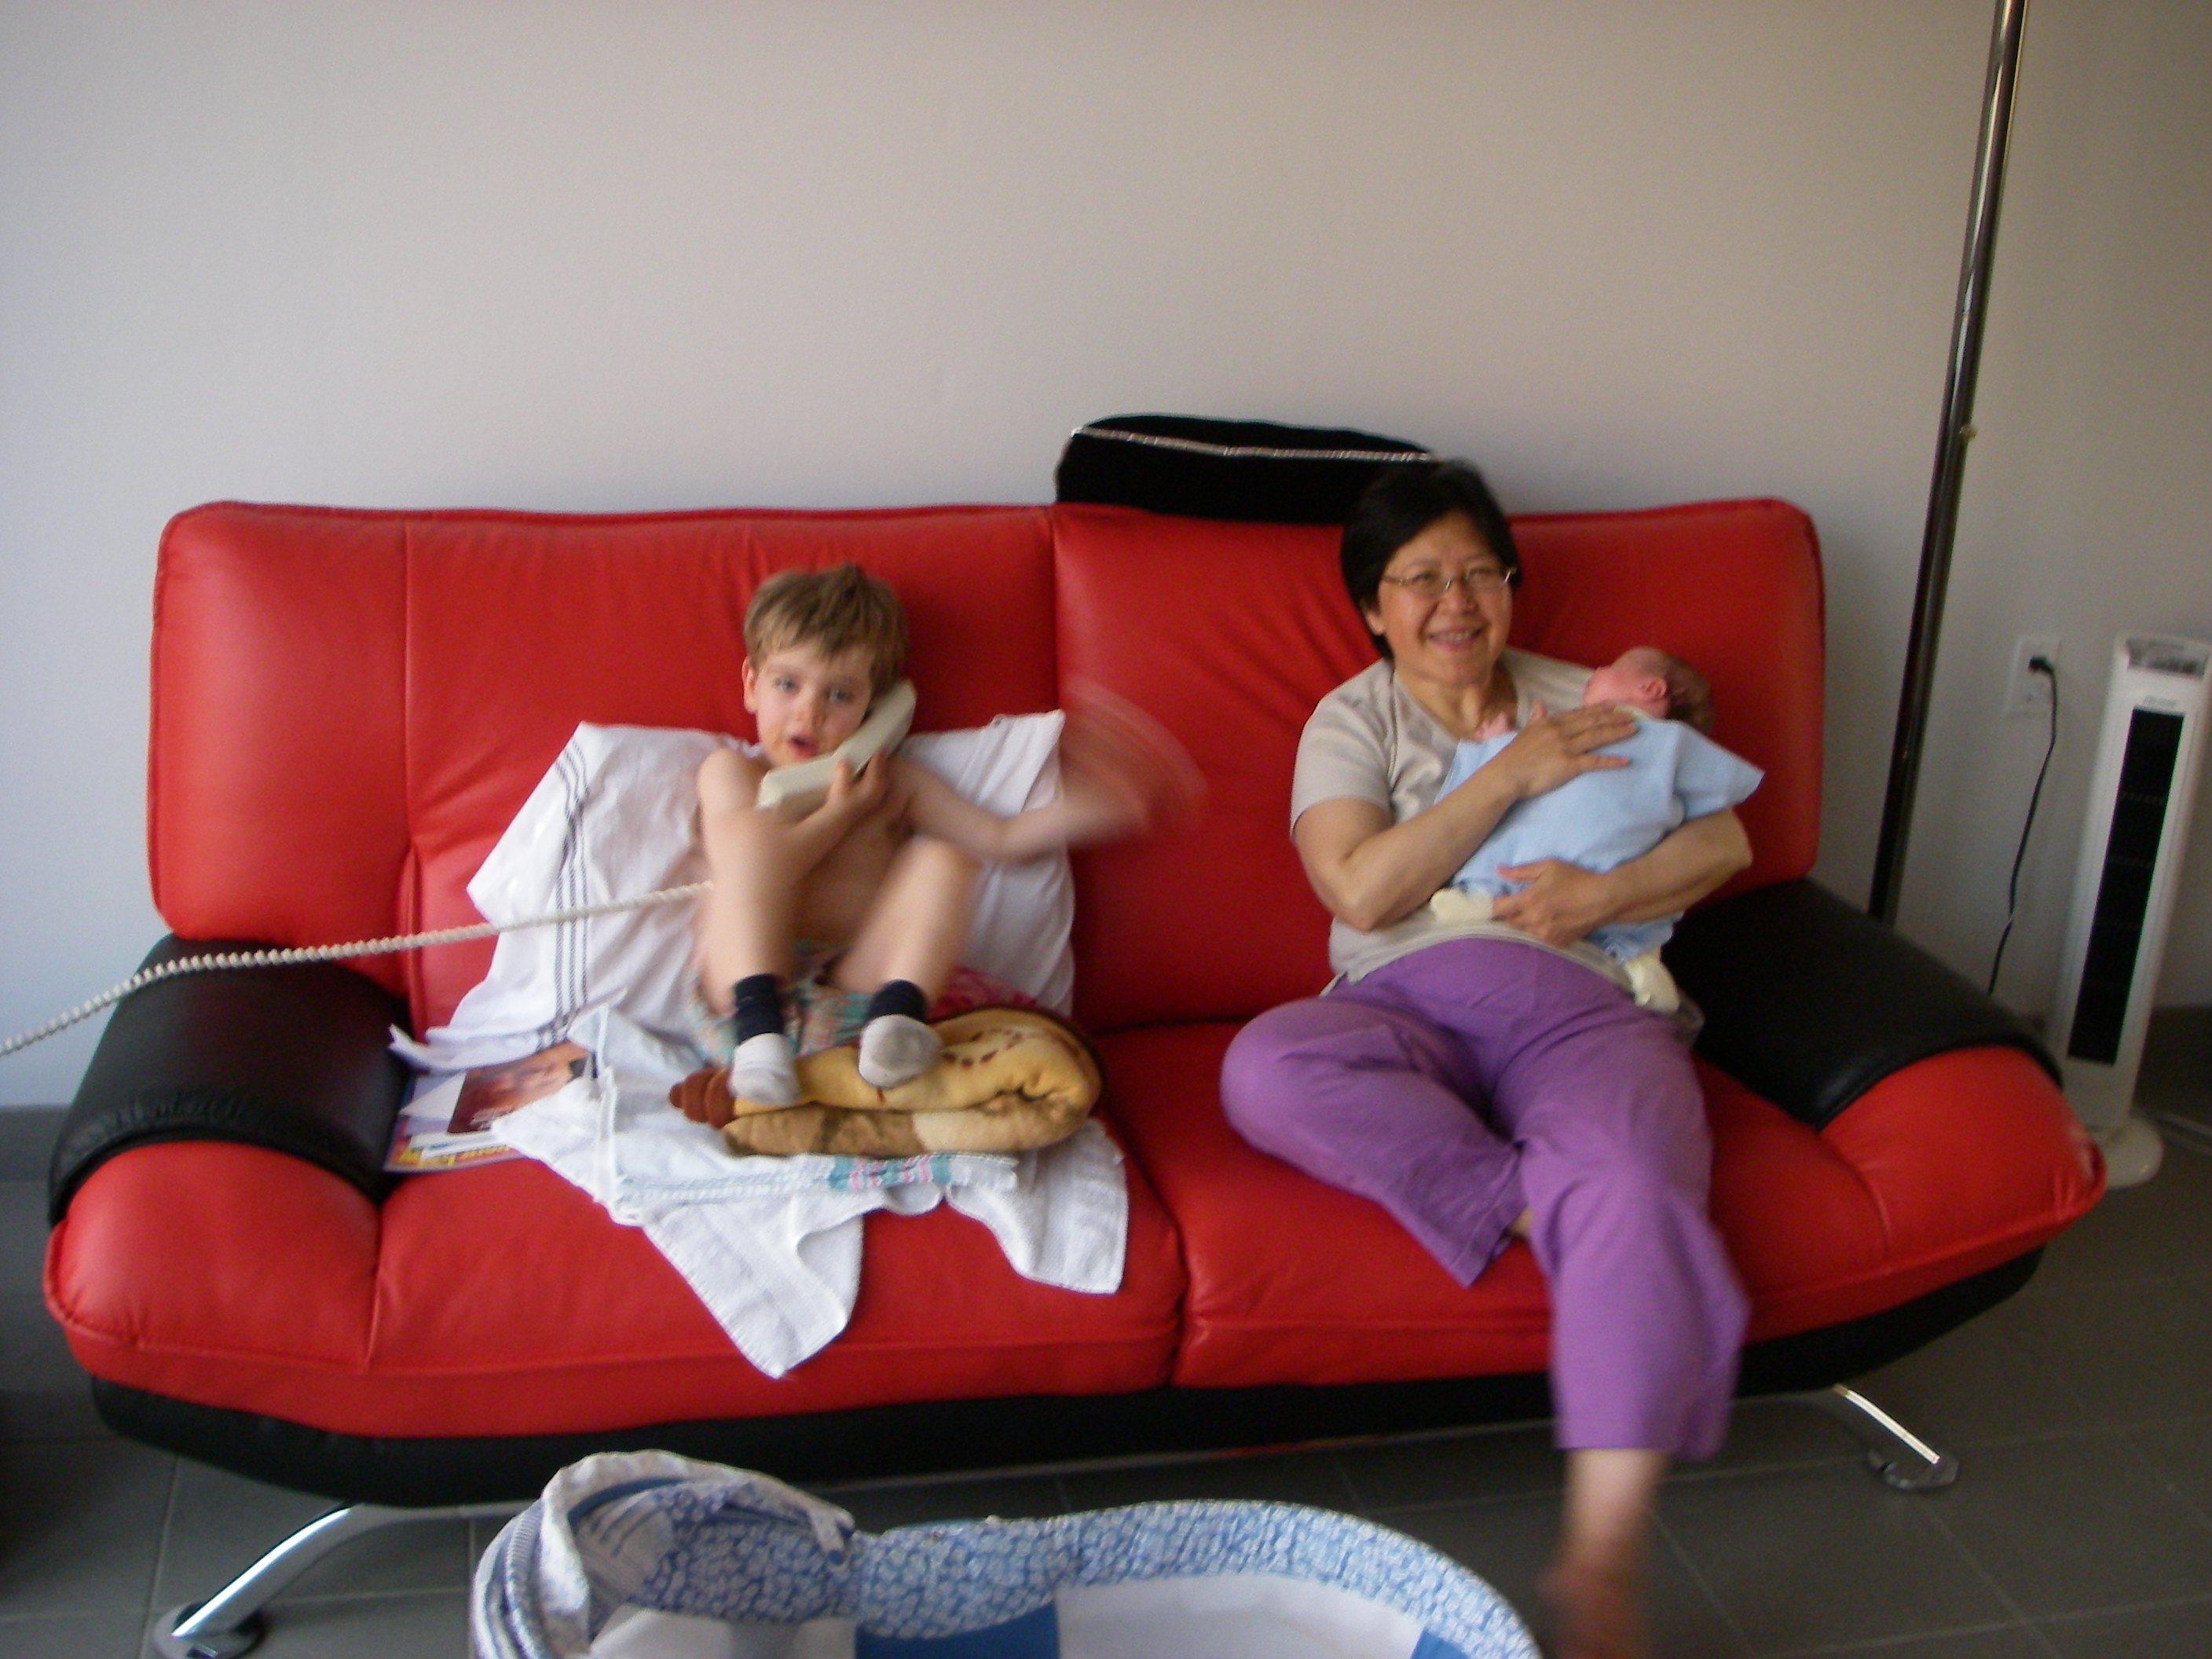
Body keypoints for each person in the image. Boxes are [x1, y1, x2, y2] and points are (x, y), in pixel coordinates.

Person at [1218, 463, 1752, 1659]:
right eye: (1420, 579)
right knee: (1266, 1065)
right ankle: (1551, 1210)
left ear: (1511, 586)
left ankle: (1601, 1564)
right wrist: (1511, 773)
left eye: (1478, 573)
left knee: (1636, 1175)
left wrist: (1600, 895)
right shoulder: (1352, 721)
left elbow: (1724, 840)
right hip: (1405, 998)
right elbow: (1358, 889)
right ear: (1373, 607)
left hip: (1582, 1006)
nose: (1454, 602)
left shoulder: (1591, 693)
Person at [695, 562, 1194, 1107]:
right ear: (752, 685)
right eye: (787, 684)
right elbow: (754, 862)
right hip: (743, 1005)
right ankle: (761, 1040)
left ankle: (896, 1028)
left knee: (943, 860)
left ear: (878, 709)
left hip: (852, 998)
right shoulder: (733, 774)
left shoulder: (894, 785)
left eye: (839, 695)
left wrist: (1105, 806)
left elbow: (1000, 837)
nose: (809, 711)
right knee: (745, 862)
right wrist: (840, 813)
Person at [1430, 646, 1762, 1009]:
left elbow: (1724, 828)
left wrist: (1498, 743)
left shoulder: (1672, 743)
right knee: (1520, 829)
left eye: (1611, 667)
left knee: (1656, 892)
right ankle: (1485, 901)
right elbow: (1520, 768)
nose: (1597, 670)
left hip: (1618, 867)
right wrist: (1501, 741)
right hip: (1539, 856)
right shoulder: (1569, 725)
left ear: (1651, 689)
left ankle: (1637, 959)